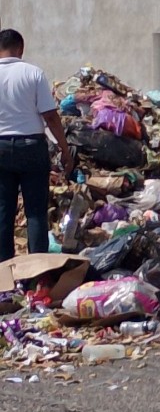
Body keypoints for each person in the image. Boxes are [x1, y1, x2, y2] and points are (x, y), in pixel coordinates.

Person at [0, 28, 73, 261]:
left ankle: (3, 272)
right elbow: (50, 117)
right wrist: (64, 149)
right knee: (35, 212)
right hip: (31, 147)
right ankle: (38, 272)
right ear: (20, 48)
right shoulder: (33, 73)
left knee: (3, 211)